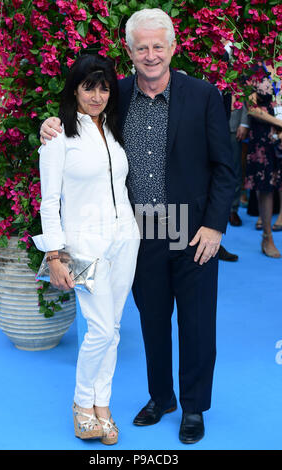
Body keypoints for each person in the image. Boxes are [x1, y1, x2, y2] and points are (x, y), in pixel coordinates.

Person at [40, 8, 236, 444]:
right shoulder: (115, 94)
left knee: (198, 322)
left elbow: (226, 167)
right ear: (129, 51)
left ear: (172, 47)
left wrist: (215, 226)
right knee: (151, 320)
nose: (150, 55)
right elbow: (77, 128)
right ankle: (161, 396)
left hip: (192, 230)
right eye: (141, 47)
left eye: (157, 46)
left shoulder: (204, 95)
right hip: (136, 229)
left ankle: (193, 407)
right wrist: (50, 124)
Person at [32, 54, 140, 445]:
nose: (97, 96)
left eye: (104, 87)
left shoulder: (113, 129)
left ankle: (103, 403)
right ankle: (82, 403)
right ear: (74, 89)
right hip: (83, 245)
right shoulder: (58, 135)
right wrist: (56, 255)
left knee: (112, 328)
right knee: (98, 328)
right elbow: (49, 201)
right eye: (89, 87)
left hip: (126, 238)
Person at [245, 62, 282, 258]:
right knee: (266, 186)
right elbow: (251, 108)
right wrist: (280, 124)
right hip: (263, 138)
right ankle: (267, 237)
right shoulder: (255, 68)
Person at [228, 96, 249, 226]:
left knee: (235, 169)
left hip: (234, 124)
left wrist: (244, 123)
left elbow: (245, 94)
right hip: (210, 122)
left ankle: (233, 209)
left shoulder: (239, 75)